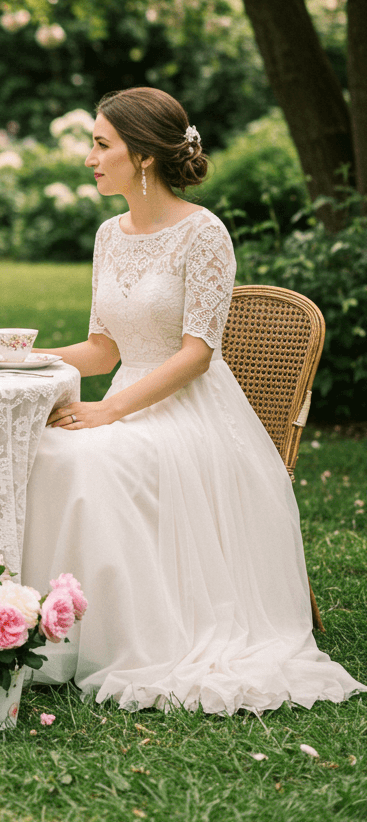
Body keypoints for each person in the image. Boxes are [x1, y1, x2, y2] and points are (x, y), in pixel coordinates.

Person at [21, 87, 364, 713]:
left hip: (191, 412)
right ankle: (55, 636)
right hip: (128, 396)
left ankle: (133, 637)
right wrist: (19, 352)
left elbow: (196, 354)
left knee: (89, 458)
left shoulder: (203, 233)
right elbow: (102, 351)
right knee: (47, 451)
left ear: (144, 156)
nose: (90, 158)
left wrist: (106, 412)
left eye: (102, 145)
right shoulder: (108, 234)